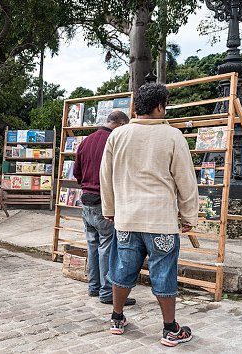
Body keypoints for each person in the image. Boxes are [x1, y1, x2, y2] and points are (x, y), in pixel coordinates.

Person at [101, 83, 198, 346]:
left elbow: (106, 178)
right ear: (159, 106)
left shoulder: (117, 136)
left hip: (127, 220)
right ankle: (169, 329)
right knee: (163, 271)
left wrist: (109, 210)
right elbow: (185, 180)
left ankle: (117, 318)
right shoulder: (173, 136)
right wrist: (189, 215)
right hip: (161, 221)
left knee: (122, 269)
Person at [73, 111, 134, 306]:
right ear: (120, 123)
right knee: (107, 246)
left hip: (86, 200)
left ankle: (94, 286)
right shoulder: (115, 141)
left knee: (93, 245)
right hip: (104, 201)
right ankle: (107, 291)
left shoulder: (86, 141)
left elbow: (77, 173)